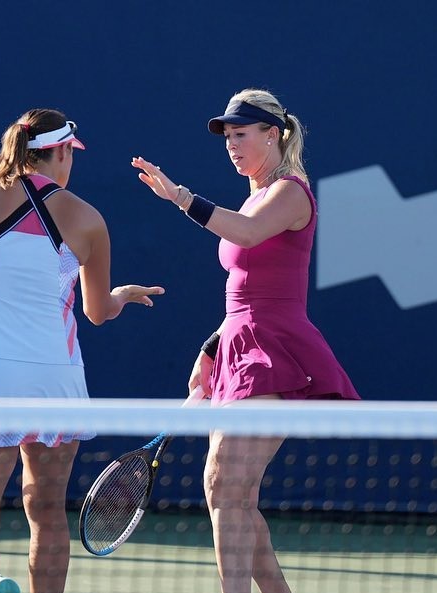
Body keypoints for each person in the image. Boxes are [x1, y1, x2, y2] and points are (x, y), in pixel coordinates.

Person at [0, 109, 164, 593]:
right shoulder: (88, 219)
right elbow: (98, 311)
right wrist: (120, 296)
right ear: (60, 152)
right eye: (70, 156)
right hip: (57, 382)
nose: (71, 165)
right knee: (47, 512)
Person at [132, 89, 359, 593]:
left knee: (224, 487)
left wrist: (180, 197)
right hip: (239, 347)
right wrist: (212, 347)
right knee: (232, 492)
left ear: (272, 134)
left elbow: (251, 235)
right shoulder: (255, 194)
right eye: (227, 138)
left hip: (275, 351)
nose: (232, 146)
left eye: (241, 135)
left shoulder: (291, 192)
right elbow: (245, 293)